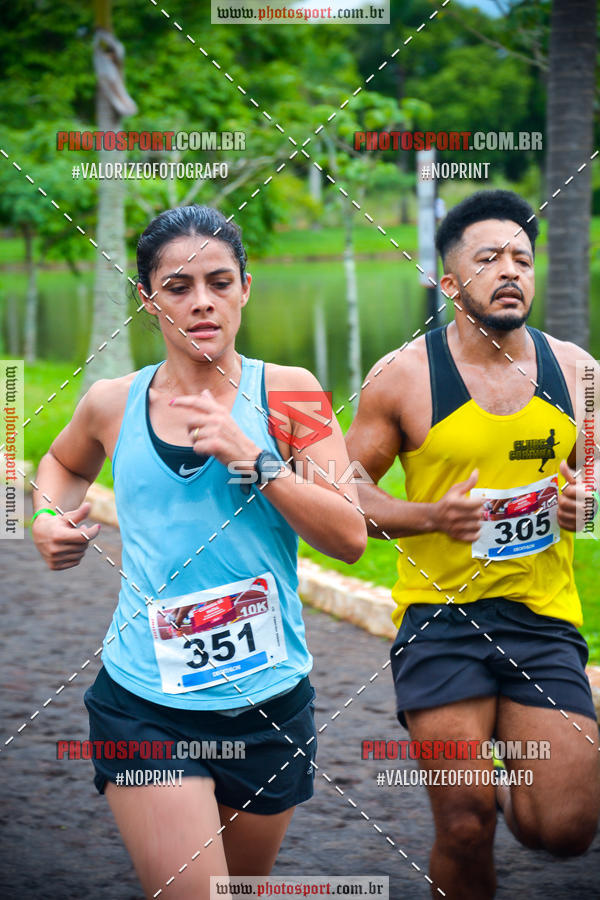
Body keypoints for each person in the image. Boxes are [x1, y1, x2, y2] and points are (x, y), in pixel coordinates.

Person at [31, 205, 367, 899]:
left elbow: (350, 537)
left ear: (246, 288)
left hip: (270, 704)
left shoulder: (293, 394)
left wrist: (257, 459)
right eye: (178, 287)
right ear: (147, 299)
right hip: (143, 701)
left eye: (219, 282)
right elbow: (59, 465)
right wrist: (41, 518)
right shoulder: (111, 402)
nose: (202, 302)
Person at [345, 190, 600, 899]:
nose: (511, 270)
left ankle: (520, 776)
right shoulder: (402, 376)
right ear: (450, 282)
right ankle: (478, 797)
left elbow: (596, 471)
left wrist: (586, 504)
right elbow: (343, 488)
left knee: (567, 831)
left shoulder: (577, 371)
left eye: (523, 258)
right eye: (490, 259)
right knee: (464, 824)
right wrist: (430, 516)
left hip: (542, 618)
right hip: (440, 622)